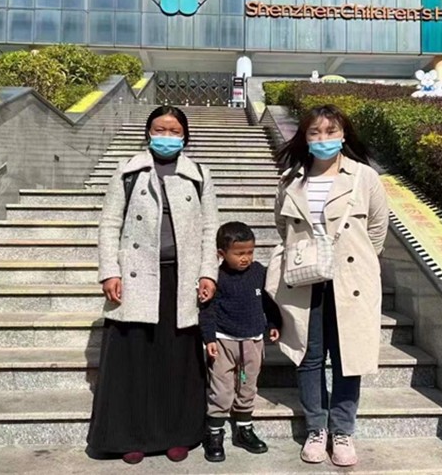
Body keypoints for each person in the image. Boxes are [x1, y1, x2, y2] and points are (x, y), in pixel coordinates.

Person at [86, 106, 219, 465]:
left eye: (174, 130)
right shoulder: (128, 170)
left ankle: (177, 435)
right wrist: (109, 271)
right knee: (133, 359)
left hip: (181, 278)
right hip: (135, 277)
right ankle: (129, 437)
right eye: (160, 129)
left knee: (176, 360)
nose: (167, 136)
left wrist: (208, 273)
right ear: (147, 132)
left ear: (185, 136)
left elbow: (210, 228)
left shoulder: (199, 174)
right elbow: (109, 223)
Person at [267, 104, 389, 467]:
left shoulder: (364, 177)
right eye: (315, 132)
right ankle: (316, 428)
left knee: (349, 357)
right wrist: (308, 257)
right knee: (309, 356)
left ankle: (343, 430)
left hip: (351, 280)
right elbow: (282, 227)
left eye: (331, 131)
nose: (323, 139)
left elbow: (378, 229)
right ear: (304, 138)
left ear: (344, 135)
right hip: (306, 280)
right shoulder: (290, 179)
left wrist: (357, 261)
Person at [199, 222, 283, 463]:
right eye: (239, 253)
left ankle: (244, 429)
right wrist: (209, 338)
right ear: (221, 253)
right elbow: (207, 310)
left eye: (250, 252)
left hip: (252, 342)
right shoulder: (216, 277)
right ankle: (214, 433)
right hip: (224, 342)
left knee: (248, 386)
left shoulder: (258, 272)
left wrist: (273, 324)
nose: (245, 258)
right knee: (221, 389)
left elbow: (269, 302)